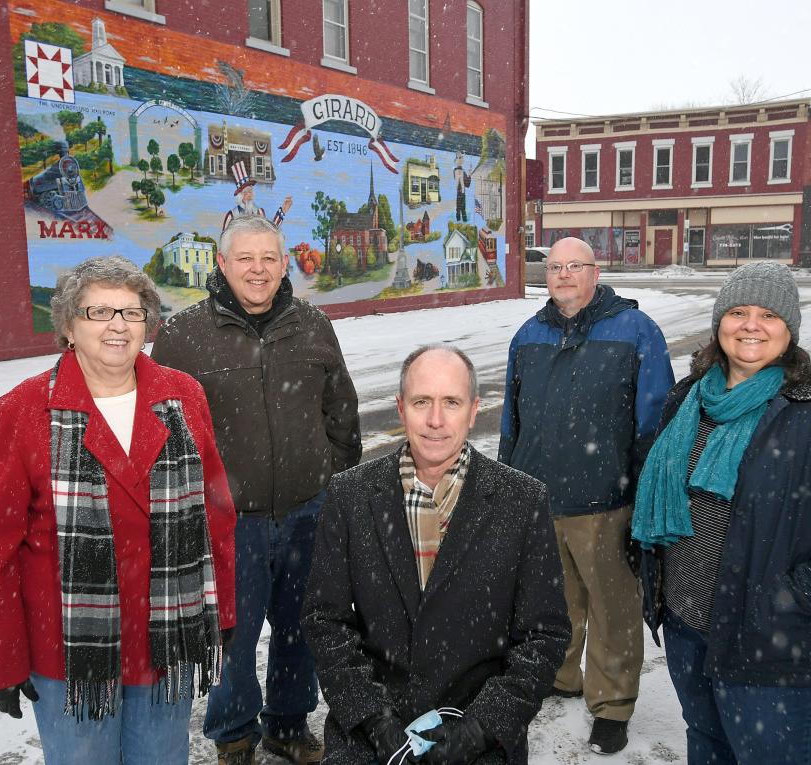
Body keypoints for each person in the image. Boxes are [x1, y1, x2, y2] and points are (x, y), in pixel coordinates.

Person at [0, 256, 237, 765]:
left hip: (166, 637)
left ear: (147, 324)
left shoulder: (183, 397)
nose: (117, 325)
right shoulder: (20, 412)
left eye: (132, 313)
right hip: (69, 652)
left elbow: (215, 516)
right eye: (98, 312)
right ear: (68, 325)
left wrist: (219, 609)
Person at [632, 261, 811, 764]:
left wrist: (796, 596)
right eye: (738, 311)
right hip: (690, 631)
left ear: (789, 330)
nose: (751, 325)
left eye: (769, 314)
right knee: (708, 747)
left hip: (777, 646)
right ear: (718, 323)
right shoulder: (688, 401)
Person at [151, 215, 361, 765]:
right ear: (221, 264)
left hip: (307, 512)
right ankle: (235, 734)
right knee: (233, 640)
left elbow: (341, 409)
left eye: (269, 257)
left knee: (302, 629)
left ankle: (288, 726)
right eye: (245, 258)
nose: (258, 269)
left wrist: (331, 481)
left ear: (285, 262)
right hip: (227, 523)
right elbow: (163, 434)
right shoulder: (182, 336)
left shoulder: (313, 324)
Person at [302, 345, 571, 765]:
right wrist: (374, 718)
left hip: (479, 738)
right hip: (370, 740)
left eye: (452, 402)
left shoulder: (521, 500)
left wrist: (480, 729)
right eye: (422, 401)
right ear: (400, 408)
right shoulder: (351, 495)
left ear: (474, 409)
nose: (435, 420)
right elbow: (325, 620)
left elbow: (544, 635)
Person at [498, 236, 673, 755]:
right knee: (555, 604)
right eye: (554, 267)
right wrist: (509, 484)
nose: (564, 275)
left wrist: (643, 497)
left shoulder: (636, 331)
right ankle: (563, 675)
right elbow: (513, 420)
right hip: (540, 498)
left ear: (596, 272)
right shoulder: (528, 335)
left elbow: (655, 422)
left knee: (613, 609)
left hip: (608, 501)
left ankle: (613, 705)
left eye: (576, 266)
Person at [222, 159, 293, 230]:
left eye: (251, 191)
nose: (249, 194)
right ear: (240, 196)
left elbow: (269, 232)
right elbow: (223, 237)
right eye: (246, 192)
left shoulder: (259, 212)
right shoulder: (232, 215)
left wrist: (283, 211)